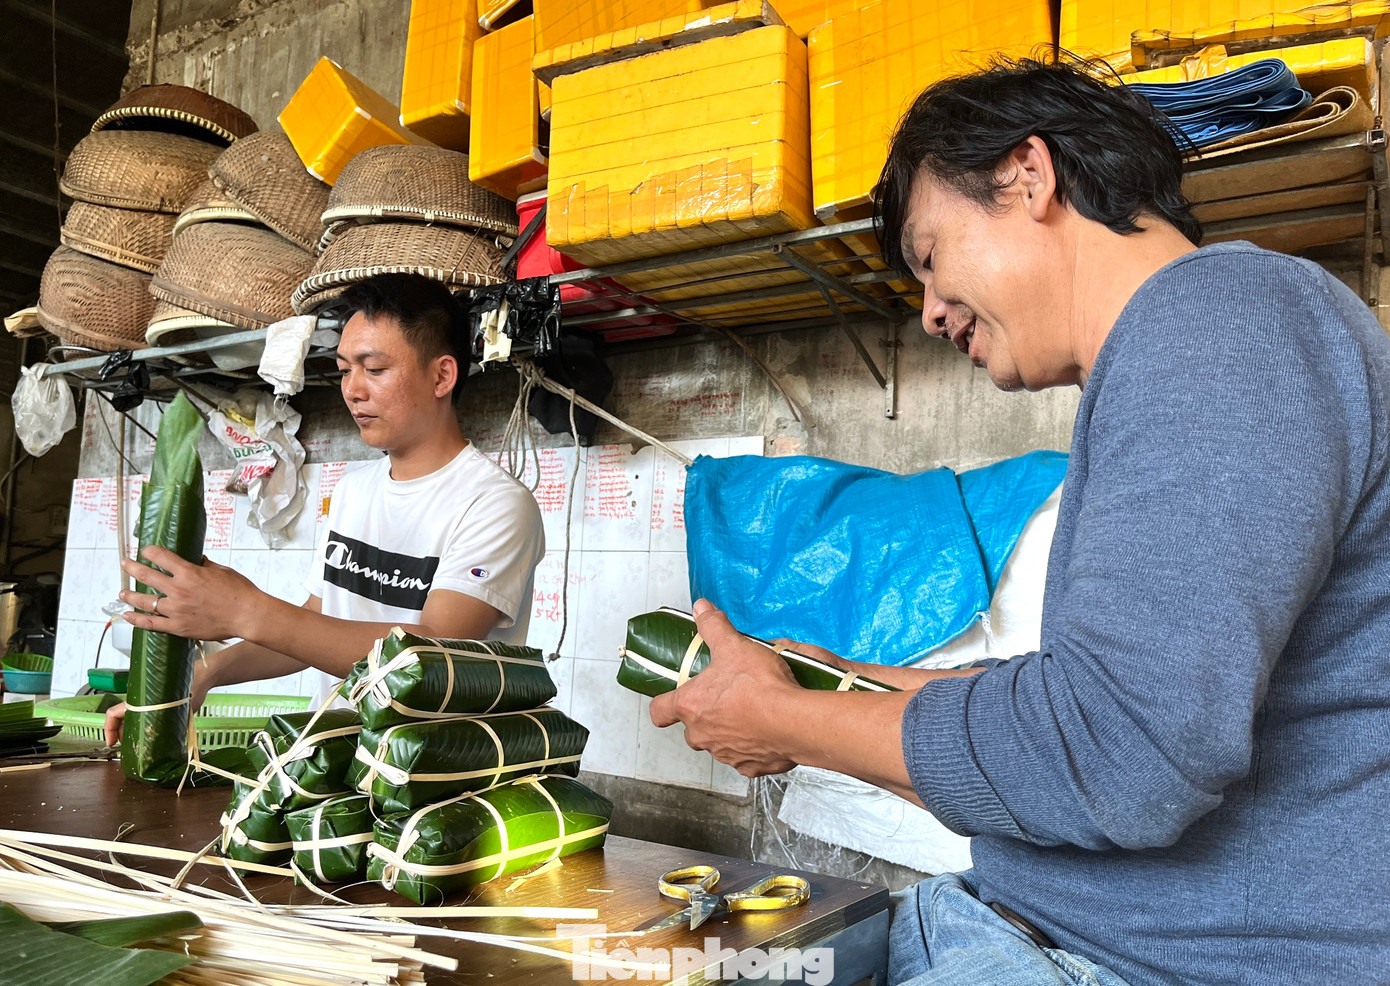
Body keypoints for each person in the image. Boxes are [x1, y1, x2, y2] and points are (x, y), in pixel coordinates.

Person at [649, 57, 1390, 985]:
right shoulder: (1184, 344)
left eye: (930, 258)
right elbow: (1090, 700)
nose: (929, 314)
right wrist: (828, 679)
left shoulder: (1223, 319)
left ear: (1028, 176)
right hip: (1031, 929)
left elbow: (1122, 753)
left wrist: (785, 720)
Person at [106, 272, 545, 743]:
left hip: (429, 769)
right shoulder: (354, 491)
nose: (353, 390)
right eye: (344, 370)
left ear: (442, 376)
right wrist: (203, 674)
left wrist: (246, 610)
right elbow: (314, 629)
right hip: (333, 761)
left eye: (374, 369)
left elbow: (432, 656)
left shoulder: (495, 503)